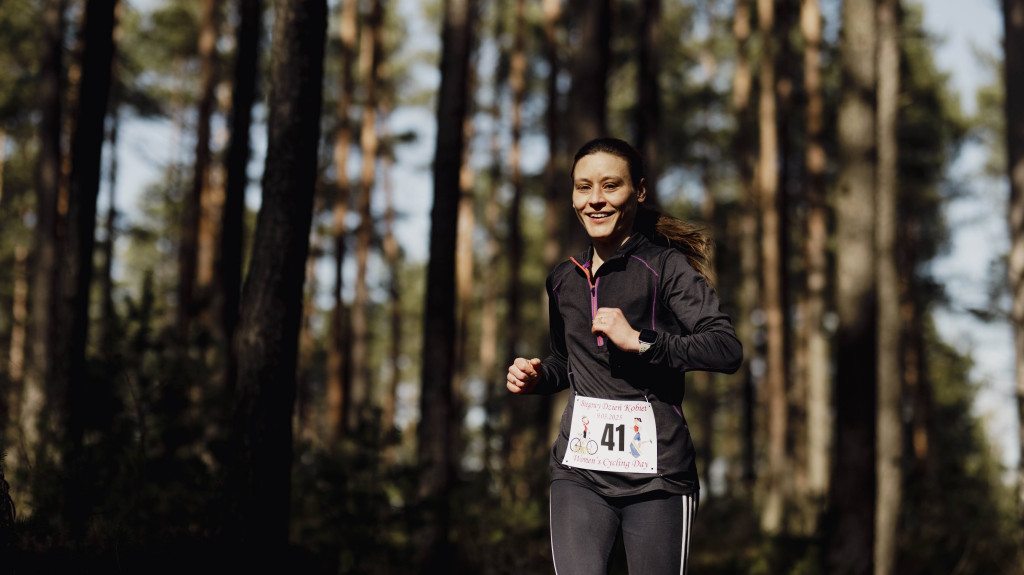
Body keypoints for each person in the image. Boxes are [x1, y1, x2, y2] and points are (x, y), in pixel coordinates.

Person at [506, 137, 742, 575]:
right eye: (583, 187)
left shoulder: (667, 269)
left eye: (610, 186)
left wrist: (640, 340)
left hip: (658, 478)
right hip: (580, 470)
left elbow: (725, 348)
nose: (595, 200)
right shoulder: (563, 279)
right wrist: (539, 376)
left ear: (639, 191)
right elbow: (567, 362)